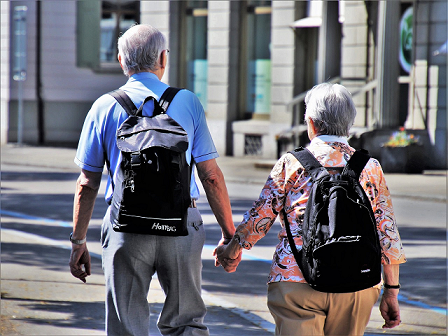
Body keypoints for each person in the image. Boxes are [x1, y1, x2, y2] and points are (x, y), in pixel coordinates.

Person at [69, 24, 237, 336]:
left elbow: (87, 183)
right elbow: (210, 175)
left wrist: (78, 241)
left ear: (121, 61)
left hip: (126, 229)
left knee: (126, 325)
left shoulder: (103, 106)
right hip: (182, 226)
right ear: (163, 58)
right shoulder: (187, 102)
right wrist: (230, 234)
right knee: (186, 321)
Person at [215, 83, 406, 336]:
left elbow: (259, 219)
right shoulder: (370, 167)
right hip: (356, 284)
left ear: (312, 123)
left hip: (296, 280)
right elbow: (387, 233)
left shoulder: (291, 163)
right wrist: (391, 290)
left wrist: (232, 250)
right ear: (349, 123)